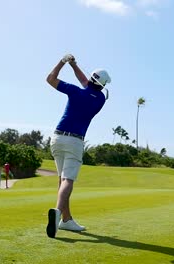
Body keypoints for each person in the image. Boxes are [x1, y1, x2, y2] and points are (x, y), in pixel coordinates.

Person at [46, 54, 111, 238]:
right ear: (103, 85)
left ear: (91, 79)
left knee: (61, 180)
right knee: (67, 181)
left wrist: (64, 62)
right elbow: (87, 83)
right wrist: (74, 65)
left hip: (57, 138)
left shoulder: (75, 91)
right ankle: (58, 212)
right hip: (75, 141)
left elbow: (50, 79)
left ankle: (66, 220)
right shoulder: (99, 100)